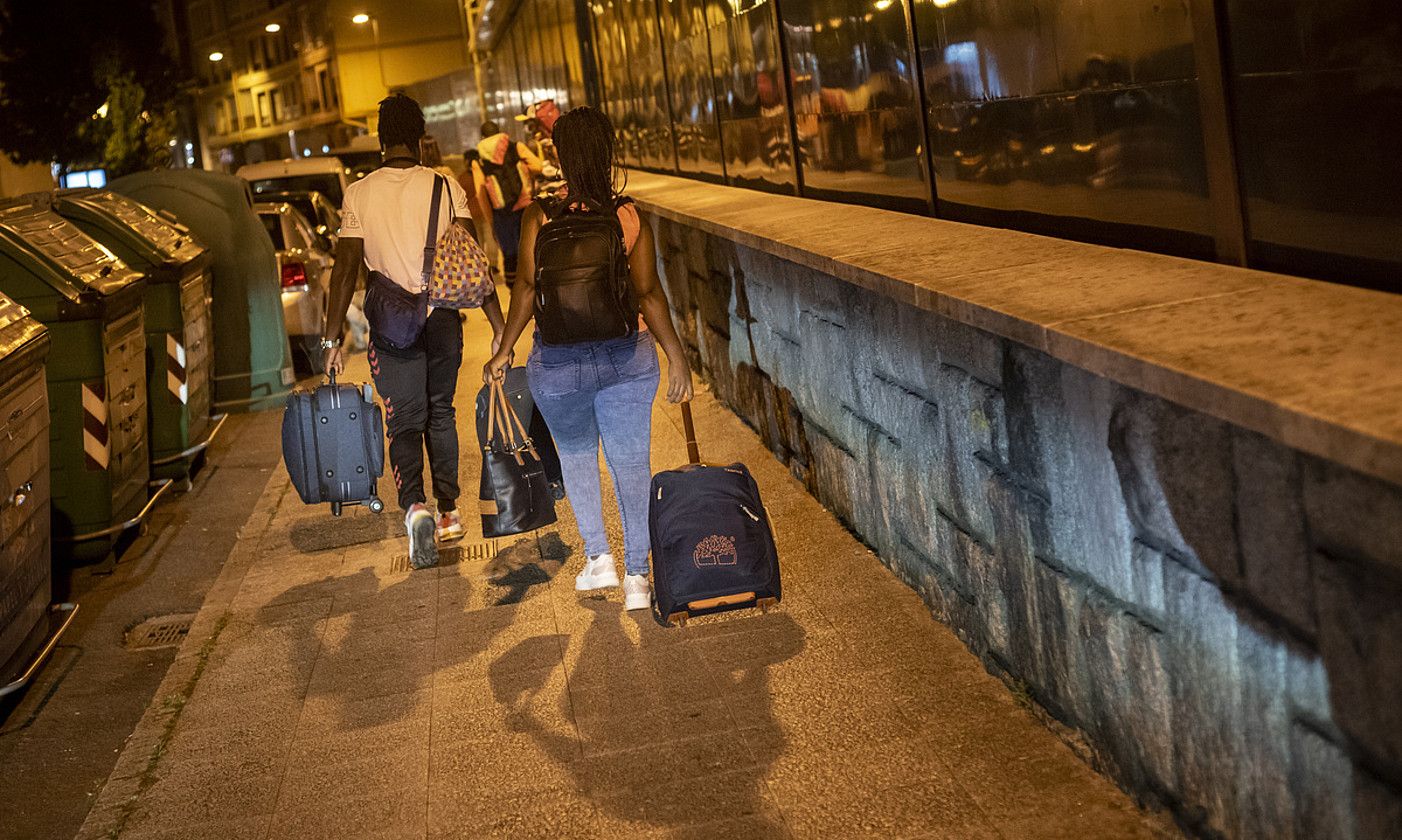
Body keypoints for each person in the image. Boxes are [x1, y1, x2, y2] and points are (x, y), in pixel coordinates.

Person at [483, 106, 694, 611]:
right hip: (626, 356)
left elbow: (527, 287)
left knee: (577, 457)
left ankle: (599, 559)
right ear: (606, 154)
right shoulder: (625, 215)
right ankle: (639, 578)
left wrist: (505, 346)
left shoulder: (541, 214)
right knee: (631, 466)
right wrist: (678, 357)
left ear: (560, 155)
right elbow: (648, 293)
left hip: (557, 365)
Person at [322, 93, 506, 569]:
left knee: (404, 419)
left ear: (382, 140)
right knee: (441, 412)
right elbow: (469, 259)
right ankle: (449, 511)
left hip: (390, 324)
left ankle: (416, 507)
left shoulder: (359, 193)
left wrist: (331, 340)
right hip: (442, 316)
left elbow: (344, 270)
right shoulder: (445, 187)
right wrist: (498, 326)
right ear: (419, 137)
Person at [471, 121, 544, 283]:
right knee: (531, 250)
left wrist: (492, 223)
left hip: (501, 215)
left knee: (510, 257)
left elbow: (481, 196)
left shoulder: (478, 161)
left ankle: (517, 293)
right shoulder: (515, 146)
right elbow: (539, 166)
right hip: (524, 207)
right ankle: (537, 288)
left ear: (483, 137)